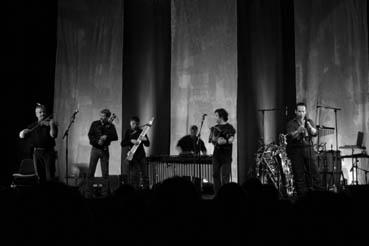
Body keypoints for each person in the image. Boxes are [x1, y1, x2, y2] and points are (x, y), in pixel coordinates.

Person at [286, 102, 321, 197]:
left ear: (305, 112)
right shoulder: (291, 123)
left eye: (303, 111)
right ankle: (302, 198)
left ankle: (317, 196)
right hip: (296, 150)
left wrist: (309, 127)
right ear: (295, 112)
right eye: (299, 111)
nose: (301, 113)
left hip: (308, 149)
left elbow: (315, 133)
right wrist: (298, 131)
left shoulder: (309, 121)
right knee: (299, 176)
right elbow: (290, 136)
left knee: (314, 173)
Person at [19, 103, 58, 183]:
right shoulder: (33, 125)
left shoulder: (50, 123)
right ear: (36, 114)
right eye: (40, 112)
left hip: (48, 152)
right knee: (40, 177)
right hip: (37, 153)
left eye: (44, 112)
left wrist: (51, 125)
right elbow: (21, 136)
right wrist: (24, 131)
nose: (42, 114)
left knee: (50, 176)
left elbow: (53, 135)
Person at [87, 109, 118, 194]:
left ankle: (105, 194)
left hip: (104, 150)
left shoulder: (111, 125)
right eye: (100, 115)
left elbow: (115, 137)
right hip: (95, 150)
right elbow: (90, 135)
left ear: (108, 117)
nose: (101, 117)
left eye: (103, 116)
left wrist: (106, 136)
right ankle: (89, 192)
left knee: (105, 173)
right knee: (90, 172)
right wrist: (97, 141)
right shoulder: (94, 123)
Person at [209, 108, 236, 194]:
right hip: (216, 155)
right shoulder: (215, 128)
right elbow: (212, 140)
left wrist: (226, 141)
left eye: (216, 116)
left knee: (225, 177)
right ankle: (217, 195)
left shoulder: (229, 127)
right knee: (215, 175)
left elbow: (231, 139)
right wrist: (216, 140)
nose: (215, 118)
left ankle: (225, 195)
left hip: (226, 156)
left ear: (221, 117)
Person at [121, 116, 150, 189]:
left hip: (141, 156)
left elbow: (148, 144)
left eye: (136, 124)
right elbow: (122, 143)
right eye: (133, 123)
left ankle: (147, 191)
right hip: (133, 157)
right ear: (130, 123)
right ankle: (135, 191)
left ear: (138, 124)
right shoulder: (128, 132)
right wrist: (131, 141)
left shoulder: (142, 132)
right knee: (135, 175)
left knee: (145, 175)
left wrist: (145, 140)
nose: (134, 125)